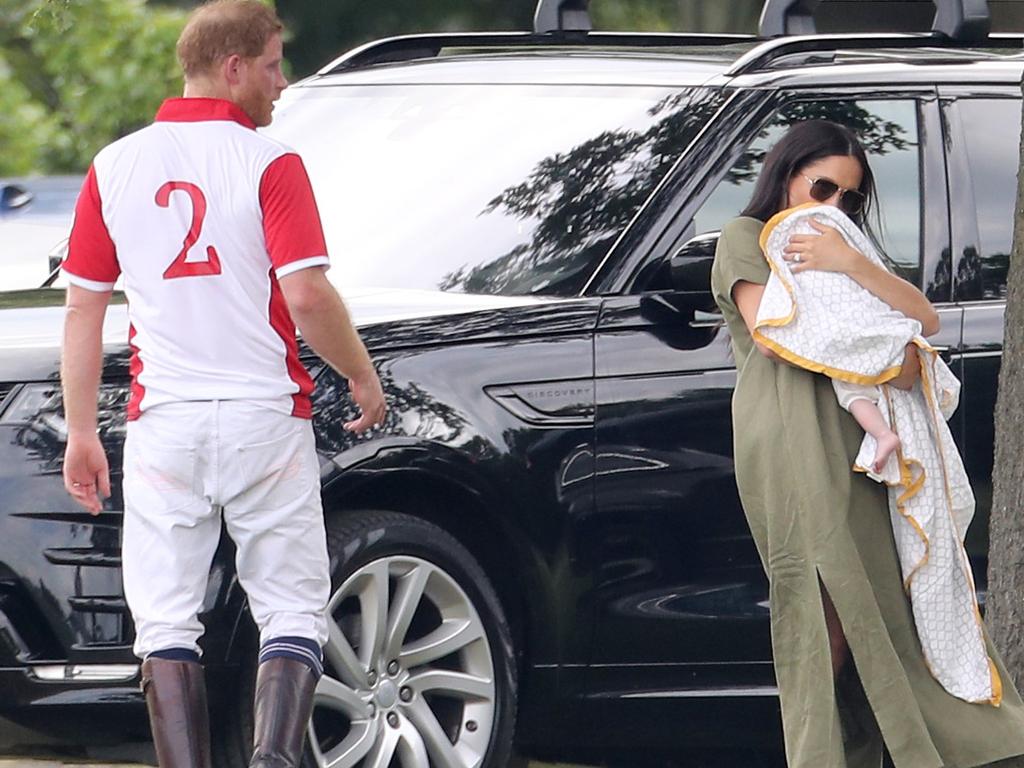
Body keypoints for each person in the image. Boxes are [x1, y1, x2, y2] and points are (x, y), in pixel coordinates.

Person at [59, 2, 386, 767]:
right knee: (292, 609)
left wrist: (81, 431)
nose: (283, 83)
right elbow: (305, 295)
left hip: (164, 418)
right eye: (273, 64)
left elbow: (83, 305)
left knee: (166, 621)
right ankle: (273, 760)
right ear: (231, 67)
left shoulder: (115, 164)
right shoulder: (270, 162)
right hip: (263, 417)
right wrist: (360, 373)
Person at [710, 119, 1024, 768]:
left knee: (888, 603)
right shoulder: (748, 239)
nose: (832, 207)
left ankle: (954, 748)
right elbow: (777, 332)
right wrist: (891, 354)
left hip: (864, 449)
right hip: (793, 442)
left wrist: (850, 262)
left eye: (849, 199)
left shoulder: (841, 251)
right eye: (820, 187)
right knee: (819, 604)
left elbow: (920, 325)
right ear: (785, 175)